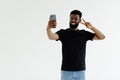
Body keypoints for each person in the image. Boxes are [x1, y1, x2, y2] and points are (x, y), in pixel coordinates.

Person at [47, 10, 105, 80]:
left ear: (80, 20)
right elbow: (51, 36)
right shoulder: (63, 33)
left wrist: (91, 27)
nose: (73, 20)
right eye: (71, 18)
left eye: (75, 19)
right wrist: (48, 28)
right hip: (66, 70)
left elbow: (102, 37)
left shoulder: (84, 34)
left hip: (80, 70)